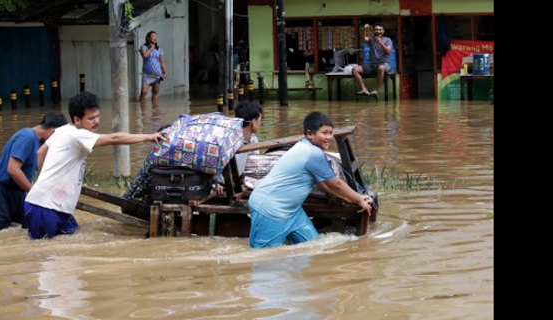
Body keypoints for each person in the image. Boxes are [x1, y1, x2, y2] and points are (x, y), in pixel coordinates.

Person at [23, 91, 164, 239]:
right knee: (45, 255)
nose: (96, 121)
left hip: (56, 206)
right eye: (91, 118)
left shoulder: (63, 130)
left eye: (97, 116)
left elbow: (40, 153)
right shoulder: (79, 135)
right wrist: (149, 136)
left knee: (69, 243)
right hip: (44, 207)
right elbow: (114, 138)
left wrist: (47, 179)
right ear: (77, 120)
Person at [247, 111, 372, 248]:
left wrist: (351, 198)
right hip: (270, 210)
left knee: (314, 247)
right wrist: (359, 199)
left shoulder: (306, 147)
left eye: (331, 133)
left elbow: (324, 184)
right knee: (263, 257)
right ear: (310, 134)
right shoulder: (313, 154)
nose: (329, 137)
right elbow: (335, 183)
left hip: (291, 211)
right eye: (324, 133)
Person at [122, 101, 263, 205]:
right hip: (206, 182)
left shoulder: (249, 138)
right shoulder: (228, 138)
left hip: (218, 182)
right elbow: (207, 160)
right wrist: (214, 184)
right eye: (260, 119)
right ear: (254, 121)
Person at [0, 112, 68, 235]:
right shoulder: (27, 137)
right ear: (53, 131)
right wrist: (35, 192)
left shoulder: (38, 144)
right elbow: (13, 169)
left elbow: (42, 169)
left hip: (16, 193)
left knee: (33, 229)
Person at [352, 23, 393, 97]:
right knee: (355, 69)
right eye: (376, 30)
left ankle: (375, 91)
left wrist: (380, 42)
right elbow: (364, 39)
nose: (378, 31)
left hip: (383, 63)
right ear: (374, 31)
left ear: (383, 31)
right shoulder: (371, 39)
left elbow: (388, 51)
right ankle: (364, 89)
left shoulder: (387, 39)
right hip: (372, 64)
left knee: (381, 68)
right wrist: (365, 30)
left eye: (380, 30)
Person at [139, 31, 167, 102]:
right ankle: (142, 110)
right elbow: (145, 55)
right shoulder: (144, 47)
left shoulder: (159, 49)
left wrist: (164, 72)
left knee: (155, 92)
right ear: (148, 38)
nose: (155, 38)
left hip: (157, 73)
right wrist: (152, 48)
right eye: (153, 36)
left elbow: (162, 61)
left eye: (156, 36)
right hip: (147, 74)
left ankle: (155, 110)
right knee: (143, 92)